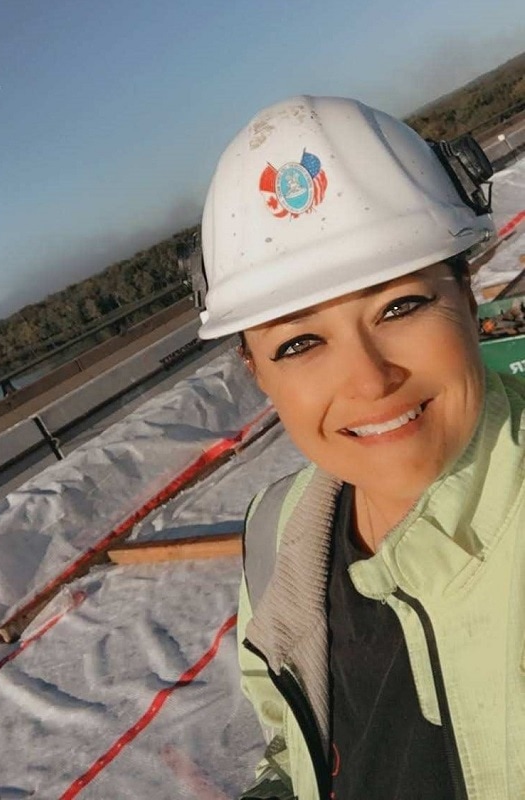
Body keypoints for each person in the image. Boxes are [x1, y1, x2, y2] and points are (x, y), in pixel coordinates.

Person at [198, 96, 525, 799]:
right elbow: (294, 738)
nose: (370, 380)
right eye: (299, 343)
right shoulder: (278, 539)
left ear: (467, 298)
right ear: (257, 373)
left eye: (399, 306)